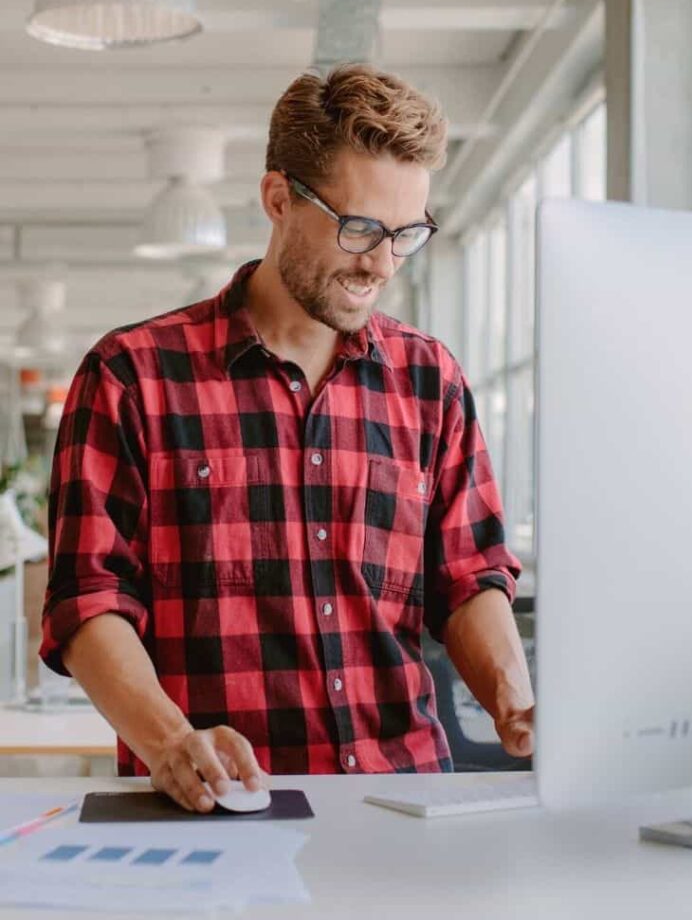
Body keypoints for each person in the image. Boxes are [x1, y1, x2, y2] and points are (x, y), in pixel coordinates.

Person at [40, 64, 534, 813]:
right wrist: (171, 740)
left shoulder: (431, 380)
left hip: (404, 805)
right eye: (361, 227)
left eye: (408, 234)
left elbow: (468, 576)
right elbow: (88, 599)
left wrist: (516, 705)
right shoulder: (131, 376)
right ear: (279, 199)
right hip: (220, 810)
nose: (382, 262)